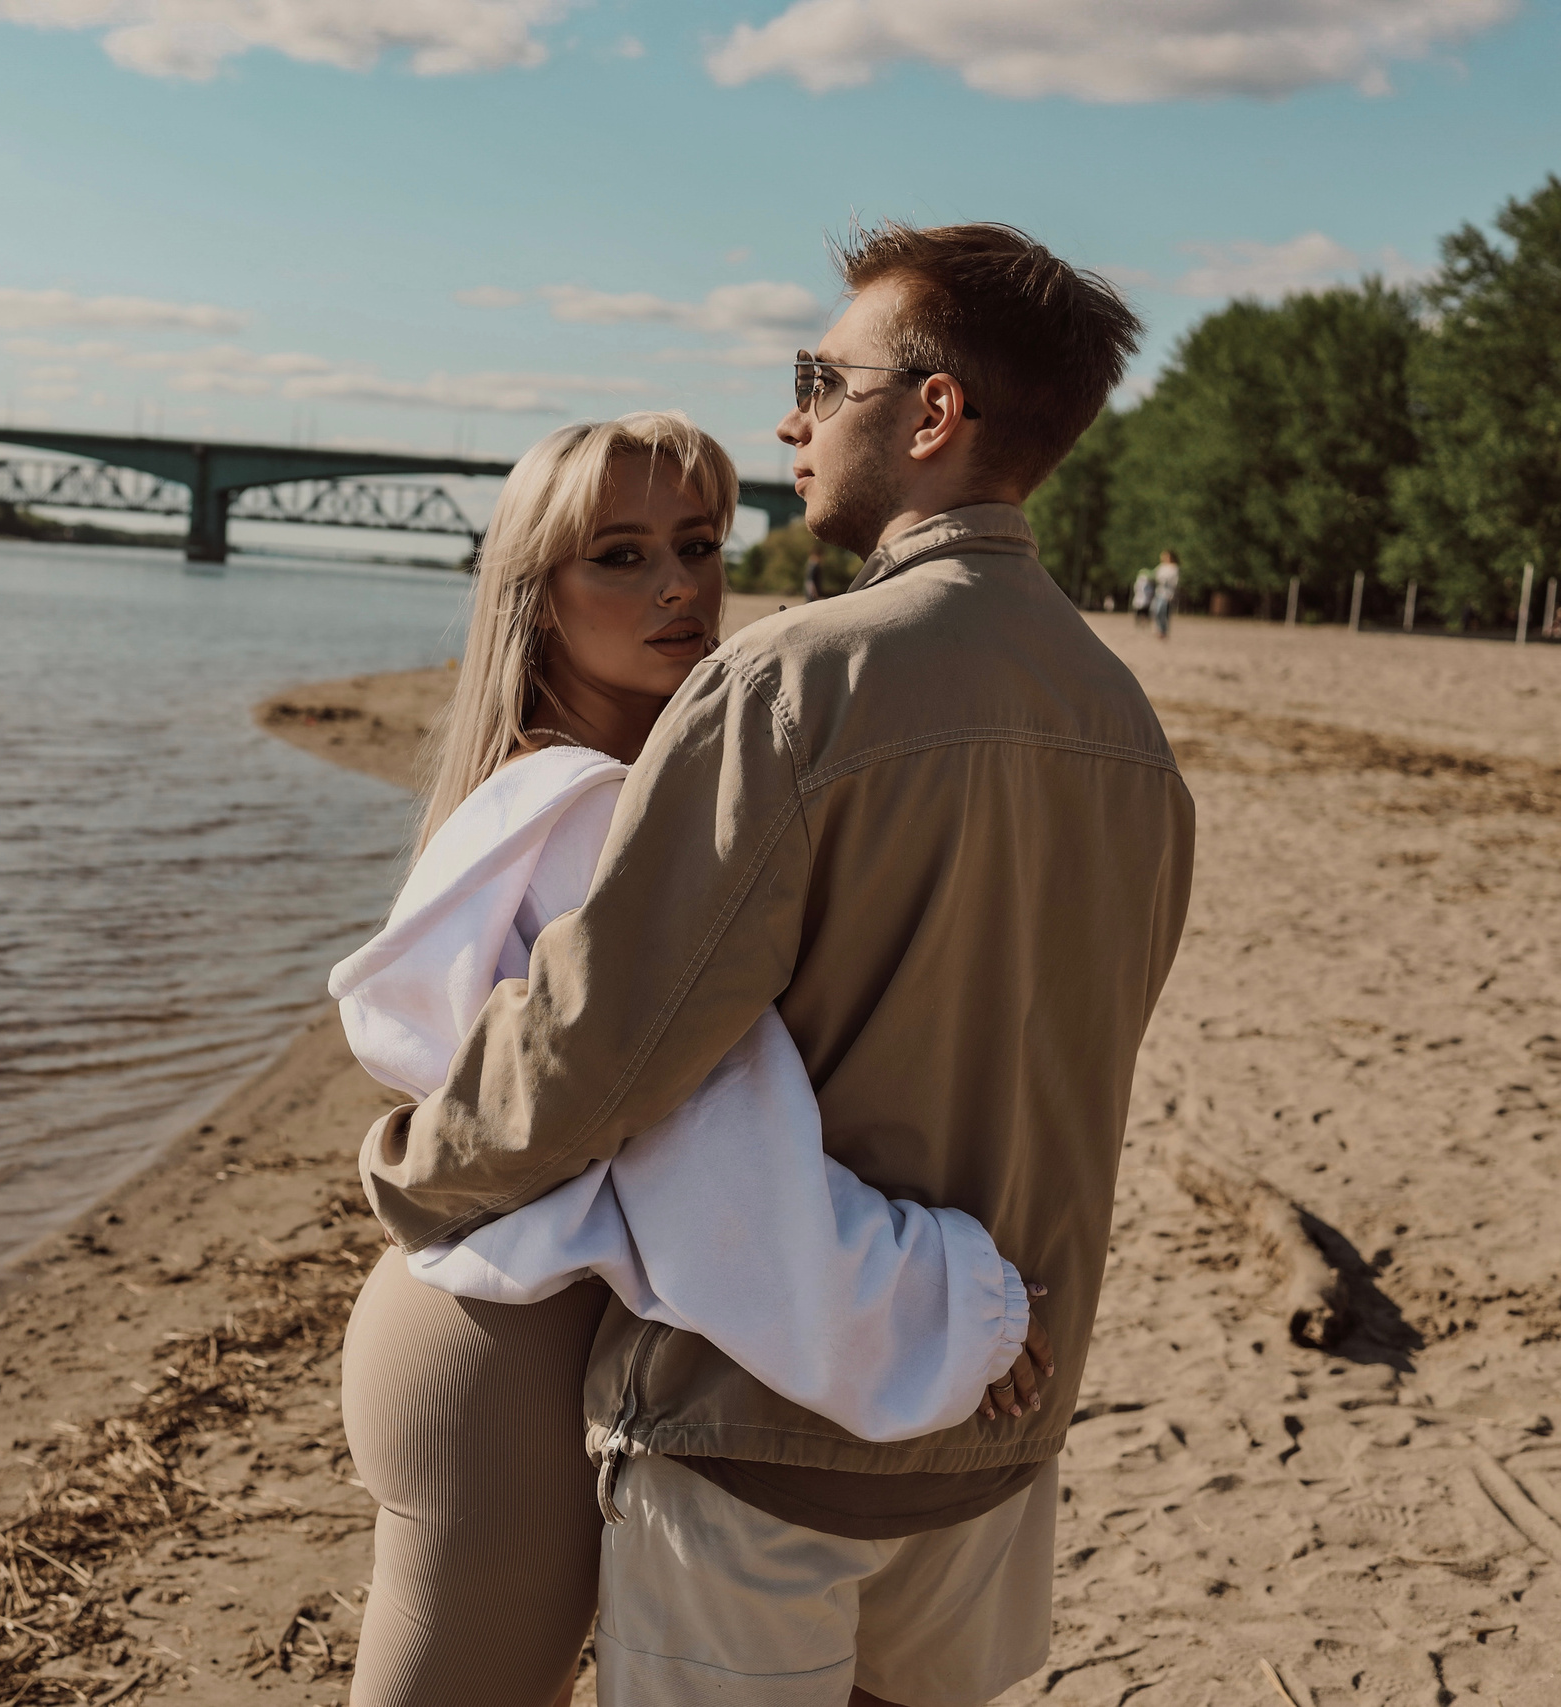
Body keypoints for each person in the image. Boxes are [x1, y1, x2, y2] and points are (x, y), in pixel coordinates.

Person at [361, 225, 1194, 1707]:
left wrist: (416, 1168)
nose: (792, 417)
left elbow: (619, 1047)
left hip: (766, 1424)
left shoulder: (789, 682)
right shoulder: (1128, 727)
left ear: (933, 415)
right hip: (999, 1422)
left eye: (821, 375)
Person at [332, 412, 1045, 1707]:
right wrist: (946, 1300)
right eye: (617, 554)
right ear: (534, 600)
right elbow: (704, 1136)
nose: (678, 585)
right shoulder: (600, 814)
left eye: (698, 542)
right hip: (502, 1363)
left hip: (482, 1331)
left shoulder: (550, 788)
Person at [1151, 549, 1181, 639]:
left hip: (1167, 594)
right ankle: (1159, 629)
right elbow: (1155, 576)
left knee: (1163, 612)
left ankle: (1163, 631)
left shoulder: (1174, 567)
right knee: (1156, 611)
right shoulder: (1161, 567)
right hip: (1159, 592)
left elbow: (1174, 581)